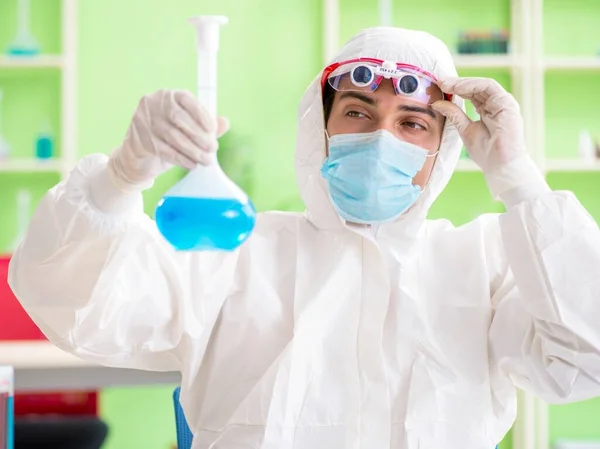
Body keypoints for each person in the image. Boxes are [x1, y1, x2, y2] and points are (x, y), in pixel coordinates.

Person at [8, 26, 600, 449]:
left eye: (412, 123)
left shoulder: (482, 262)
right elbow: (79, 308)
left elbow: (584, 356)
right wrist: (122, 173)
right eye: (358, 112)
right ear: (319, 127)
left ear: (442, 150)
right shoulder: (238, 255)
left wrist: (518, 179)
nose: (380, 138)